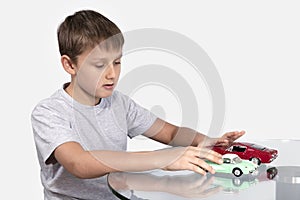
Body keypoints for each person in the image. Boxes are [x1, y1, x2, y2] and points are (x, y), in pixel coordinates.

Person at [31, 9, 245, 200]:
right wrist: (161, 159)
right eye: (99, 65)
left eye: (117, 62)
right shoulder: (49, 113)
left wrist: (207, 142)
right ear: (69, 65)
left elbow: (170, 134)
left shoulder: (119, 103)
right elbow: (78, 163)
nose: (112, 74)